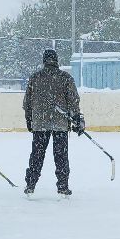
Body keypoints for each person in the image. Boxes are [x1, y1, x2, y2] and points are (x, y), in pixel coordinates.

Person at [22, 48, 81, 195]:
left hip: (40, 124)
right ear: (56, 61)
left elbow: (27, 103)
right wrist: (77, 119)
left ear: (44, 61)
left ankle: (30, 185)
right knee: (61, 157)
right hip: (60, 124)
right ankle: (63, 187)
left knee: (37, 155)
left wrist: (29, 120)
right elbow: (73, 101)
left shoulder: (35, 78)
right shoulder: (65, 77)